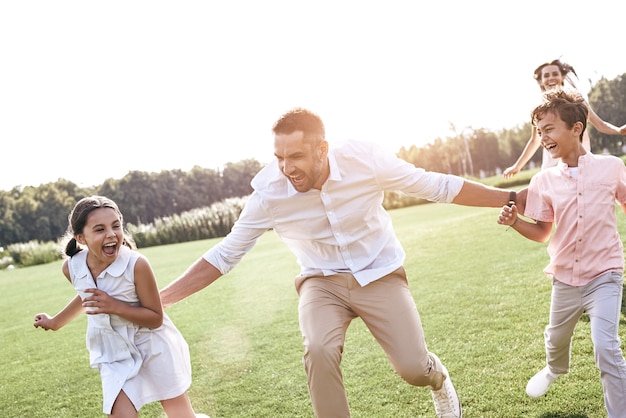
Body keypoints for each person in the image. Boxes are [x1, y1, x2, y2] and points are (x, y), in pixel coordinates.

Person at [160, 107, 524, 418]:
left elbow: (437, 186)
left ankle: (437, 377)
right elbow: (225, 254)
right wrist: (161, 300)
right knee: (318, 349)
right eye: (279, 158)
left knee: (413, 369)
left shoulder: (363, 159)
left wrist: (512, 197)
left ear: (322, 149)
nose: (286, 168)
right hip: (321, 282)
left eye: (296, 157)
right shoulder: (269, 194)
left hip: (379, 273)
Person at [497, 90, 626, 417]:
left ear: (577, 128)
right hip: (565, 278)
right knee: (556, 338)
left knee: (606, 347)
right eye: (539, 132)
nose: (543, 137)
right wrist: (515, 223)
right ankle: (554, 369)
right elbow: (542, 232)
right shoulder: (543, 181)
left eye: (549, 129)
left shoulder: (611, 167)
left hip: (605, 275)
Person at [33, 196, 209, 418]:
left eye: (116, 226)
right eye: (99, 229)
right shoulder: (72, 268)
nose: (111, 234)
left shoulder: (137, 264)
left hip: (154, 348)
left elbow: (155, 318)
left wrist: (114, 306)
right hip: (115, 354)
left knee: (182, 416)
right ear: (81, 238)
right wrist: (55, 321)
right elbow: (87, 296)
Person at [503, 58, 626, 178]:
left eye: (555, 74)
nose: (551, 78)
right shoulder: (539, 109)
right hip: (553, 162)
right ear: (541, 81)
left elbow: (600, 124)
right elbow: (534, 140)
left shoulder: (576, 102)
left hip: (578, 160)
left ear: (562, 77)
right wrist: (517, 167)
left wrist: (618, 130)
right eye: (546, 75)